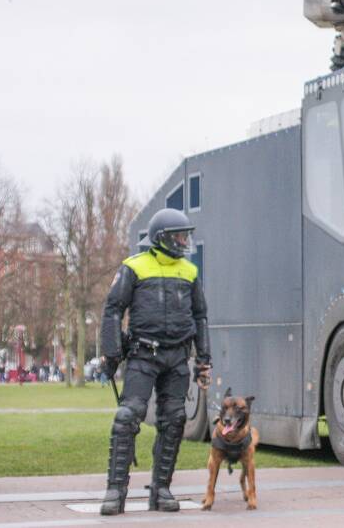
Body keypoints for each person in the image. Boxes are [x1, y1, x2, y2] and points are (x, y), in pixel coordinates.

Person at [98, 208, 212, 515]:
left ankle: (161, 489)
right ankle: (115, 491)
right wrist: (111, 354)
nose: (184, 240)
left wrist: (204, 359)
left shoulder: (189, 271)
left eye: (185, 234)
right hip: (142, 355)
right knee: (127, 416)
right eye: (178, 235)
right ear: (161, 239)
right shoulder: (133, 267)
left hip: (177, 358)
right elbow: (112, 309)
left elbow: (200, 316)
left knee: (174, 420)